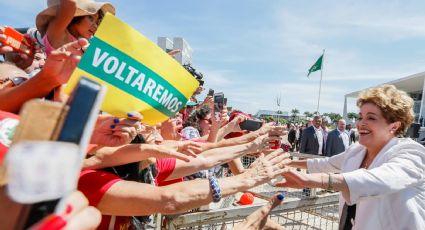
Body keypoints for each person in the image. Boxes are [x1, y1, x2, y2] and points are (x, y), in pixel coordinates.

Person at [277, 85, 425, 229]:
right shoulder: (357, 150)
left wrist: (312, 181)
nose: (361, 124)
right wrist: (286, 162)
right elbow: (326, 163)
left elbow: (382, 179)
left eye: (371, 118)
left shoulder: (411, 152)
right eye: (360, 117)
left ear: (394, 126)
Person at [36, 0, 115, 56]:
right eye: (91, 18)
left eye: (97, 22)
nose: (95, 26)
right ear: (75, 16)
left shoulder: (85, 45)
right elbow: (69, 4)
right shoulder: (58, 33)